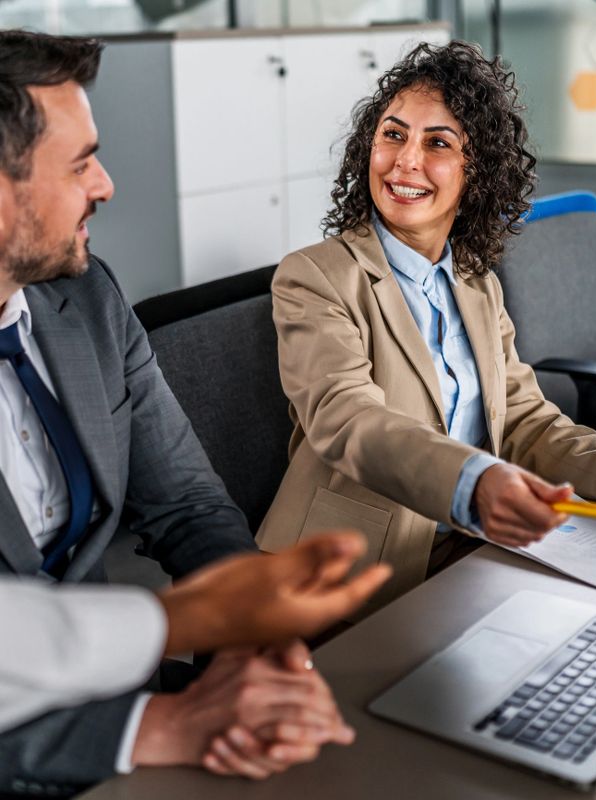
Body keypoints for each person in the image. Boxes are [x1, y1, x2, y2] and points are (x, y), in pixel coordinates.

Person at [0, 29, 384, 793]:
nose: (105, 185)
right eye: (80, 165)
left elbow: (185, 502)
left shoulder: (85, 298)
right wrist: (159, 723)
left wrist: (247, 636)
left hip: (110, 687)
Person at [256, 40, 596, 607]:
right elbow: (350, 421)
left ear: (476, 172)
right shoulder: (316, 277)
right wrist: (475, 479)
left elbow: (525, 422)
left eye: (436, 143)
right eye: (392, 135)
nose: (405, 161)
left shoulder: (474, 282)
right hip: (343, 574)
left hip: (462, 551)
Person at [0, 534, 390, 733]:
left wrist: (256, 630)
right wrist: (185, 620)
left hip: (131, 682)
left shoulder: (98, 372)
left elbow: (187, 502)